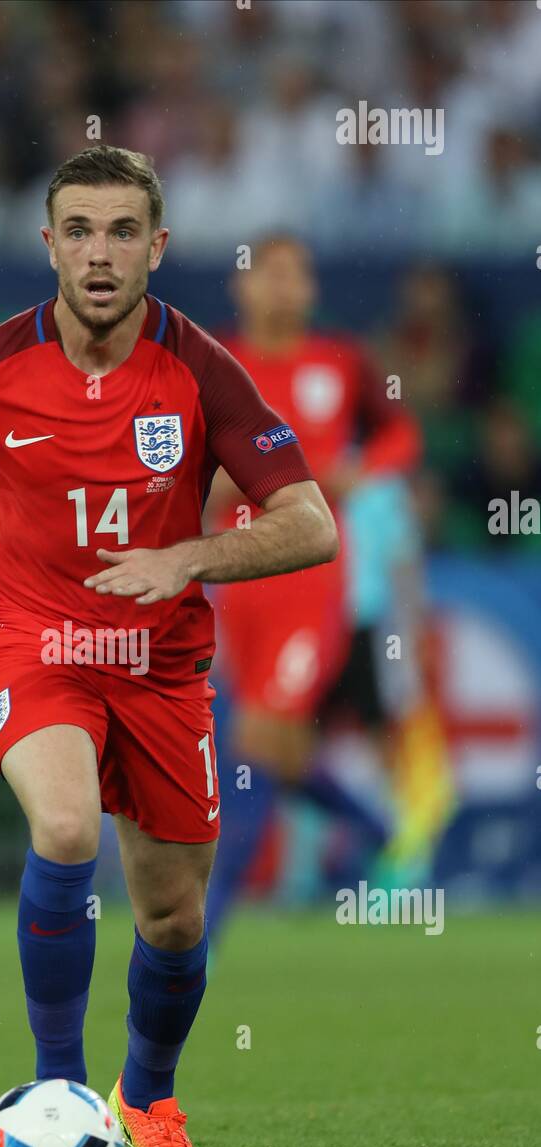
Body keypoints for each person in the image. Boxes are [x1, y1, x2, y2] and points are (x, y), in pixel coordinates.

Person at [0, 147, 337, 1147]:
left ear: (158, 247)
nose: (100, 255)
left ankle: (147, 1095)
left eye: (123, 232)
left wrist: (190, 554)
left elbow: (309, 522)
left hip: (159, 666)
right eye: (79, 232)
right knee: (59, 826)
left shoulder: (200, 371)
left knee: (172, 919)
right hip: (29, 636)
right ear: (48, 243)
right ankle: (60, 1093)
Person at [204, 234, 421, 938]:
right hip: (237, 578)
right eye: (267, 273)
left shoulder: (339, 361)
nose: (281, 287)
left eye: (295, 274)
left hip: (311, 576)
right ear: (242, 288)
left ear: (310, 288)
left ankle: (201, 936)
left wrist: (363, 471)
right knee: (275, 745)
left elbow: (398, 435)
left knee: (256, 741)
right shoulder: (215, 366)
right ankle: (375, 825)